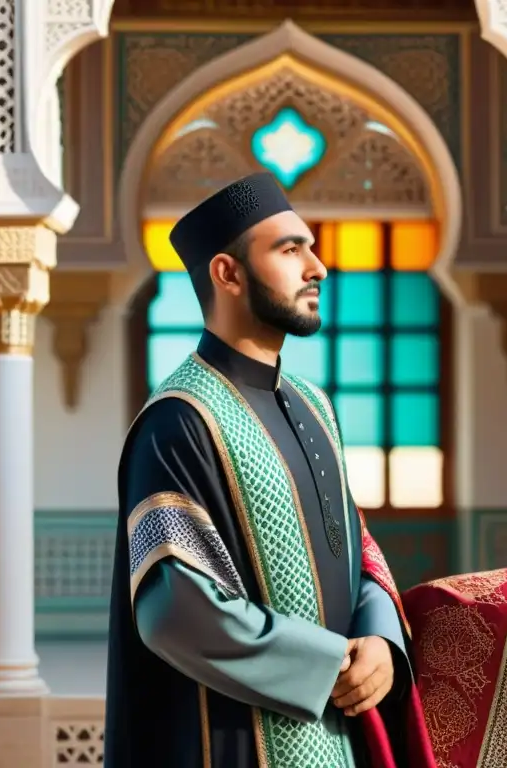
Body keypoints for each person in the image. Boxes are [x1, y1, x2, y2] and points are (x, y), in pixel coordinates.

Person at [104, 172, 434, 768]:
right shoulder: (180, 420)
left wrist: (382, 640)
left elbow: (356, 551)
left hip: (340, 738)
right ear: (227, 273)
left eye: (312, 247)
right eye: (290, 249)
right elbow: (173, 611)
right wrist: (326, 665)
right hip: (233, 743)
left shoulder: (315, 406)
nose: (318, 267)